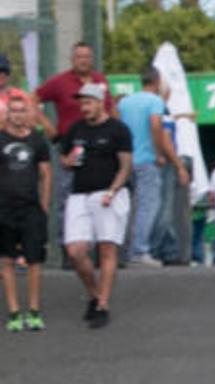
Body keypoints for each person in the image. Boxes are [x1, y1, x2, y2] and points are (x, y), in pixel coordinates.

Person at [60, 84, 131, 329]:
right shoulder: (76, 129)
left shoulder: (117, 129)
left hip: (108, 192)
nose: (84, 107)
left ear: (101, 102)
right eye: (82, 103)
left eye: (89, 102)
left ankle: (102, 303)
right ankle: (93, 293)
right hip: (79, 193)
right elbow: (64, 159)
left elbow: (125, 165)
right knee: (75, 250)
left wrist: (113, 190)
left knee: (106, 248)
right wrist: (67, 161)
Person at [37, 42, 114, 257]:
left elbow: (110, 108)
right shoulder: (61, 81)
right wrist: (47, 125)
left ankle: (101, 250)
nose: (83, 60)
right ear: (72, 59)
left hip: (100, 148)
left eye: (87, 56)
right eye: (79, 56)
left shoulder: (100, 80)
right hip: (71, 146)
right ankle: (68, 250)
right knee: (67, 197)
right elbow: (32, 98)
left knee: (101, 197)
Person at [119, 66, 188, 267]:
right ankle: (139, 250)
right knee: (148, 207)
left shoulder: (125, 102)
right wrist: (158, 154)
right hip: (146, 160)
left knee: (128, 208)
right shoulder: (155, 101)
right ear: (157, 81)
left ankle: (125, 249)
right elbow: (156, 126)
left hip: (126, 160)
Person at [0, 93, 52, 331]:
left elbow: (45, 174)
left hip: (30, 208)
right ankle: (13, 312)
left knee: (33, 261)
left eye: (22, 110)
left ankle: (33, 310)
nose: (18, 115)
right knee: (7, 261)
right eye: (14, 111)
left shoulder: (37, 140)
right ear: (7, 113)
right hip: (4, 210)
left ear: (28, 112)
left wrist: (44, 204)